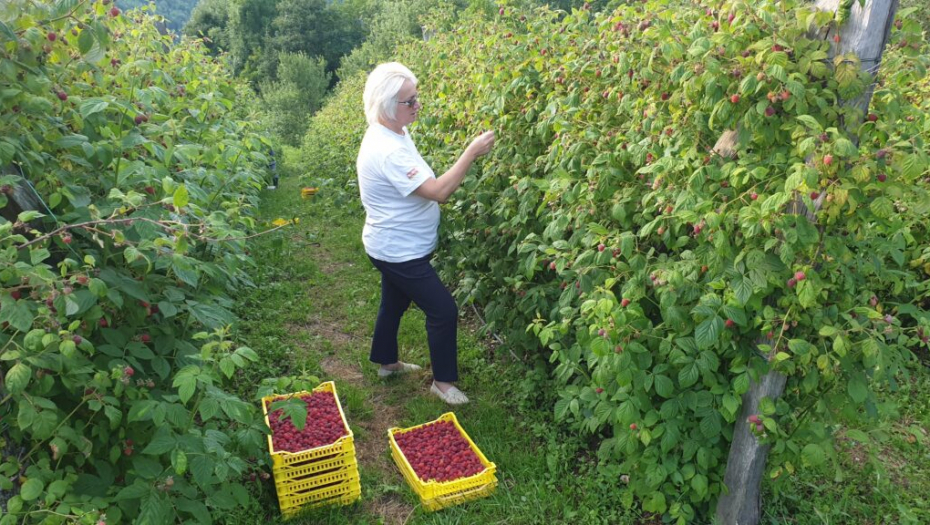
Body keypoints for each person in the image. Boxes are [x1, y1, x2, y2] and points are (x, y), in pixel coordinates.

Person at [356, 62, 495, 405]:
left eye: (416, 97)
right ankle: (443, 383)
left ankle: (386, 363)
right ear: (388, 107)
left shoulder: (393, 130)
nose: (418, 105)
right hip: (398, 250)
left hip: (394, 244)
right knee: (443, 310)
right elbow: (438, 191)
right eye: (410, 101)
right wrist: (471, 152)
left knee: (395, 301)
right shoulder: (386, 149)